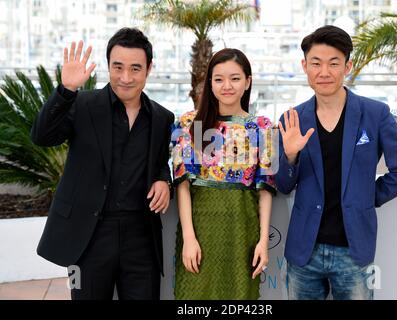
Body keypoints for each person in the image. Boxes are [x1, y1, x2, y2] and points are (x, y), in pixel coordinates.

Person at [275, 25, 397, 300]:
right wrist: (291, 156)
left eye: (334, 63)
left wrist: (369, 196)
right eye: (316, 63)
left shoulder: (375, 114)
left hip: (354, 249)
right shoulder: (292, 118)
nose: (324, 72)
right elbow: (283, 185)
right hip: (305, 250)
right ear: (304, 66)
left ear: (348, 66)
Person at [31, 27, 174, 300]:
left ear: (149, 69)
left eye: (135, 68)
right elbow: (42, 136)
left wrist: (163, 180)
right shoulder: (82, 104)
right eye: (117, 67)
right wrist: (66, 90)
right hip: (87, 237)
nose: (125, 78)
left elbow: (160, 162)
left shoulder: (162, 117)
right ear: (108, 65)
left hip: (141, 237)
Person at [171, 48, 276, 299]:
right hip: (200, 233)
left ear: (248, 81)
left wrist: (263, 241)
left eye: (235, 78)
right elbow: (182, 186)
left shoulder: (264, 127)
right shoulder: (189, 123)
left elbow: (266, 190)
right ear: (210, 83)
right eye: (218, 79)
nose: (226, 86)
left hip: (243, 232)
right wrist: (188, 238)